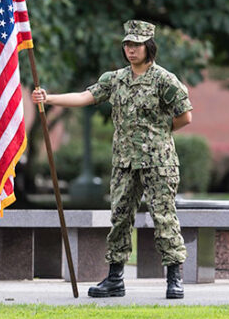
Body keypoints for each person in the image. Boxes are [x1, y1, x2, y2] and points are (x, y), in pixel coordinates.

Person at [31, 20, 193, 299]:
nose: (131, 50)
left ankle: (174, 277)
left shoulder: (165, 80)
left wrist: (158, 134)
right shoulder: (115, 79)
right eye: (127, 45)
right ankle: (115, 278)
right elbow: (86, 96)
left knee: (164, 218)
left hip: (158, 162)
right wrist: (49, 98)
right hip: (124, 162)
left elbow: (185, 116)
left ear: (148, 47)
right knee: (119, 218)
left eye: (137, 45)